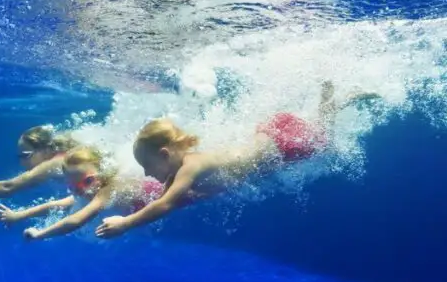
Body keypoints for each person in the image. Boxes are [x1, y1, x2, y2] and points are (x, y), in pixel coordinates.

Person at [95, 81, 380, 238]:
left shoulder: (191, 167)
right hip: (270, 133)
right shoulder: (182, 169)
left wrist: (126, 224)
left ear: (165, 155)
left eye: (147, 167)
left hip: (281, 146)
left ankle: (339, 102)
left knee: (323, 140)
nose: (145, 174)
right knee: (317, 133)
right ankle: (326, 105)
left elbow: (164, 204)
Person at [0, 146, 166, 242]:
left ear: (102, 174)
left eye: (87, 182)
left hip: (174, 196)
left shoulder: (107, 188)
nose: (81, 190)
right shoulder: (89, 189)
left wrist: (40, 234)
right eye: (73, 186)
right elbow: (57, 205)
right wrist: (18, 216)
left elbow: (77, 219)